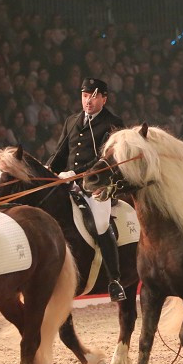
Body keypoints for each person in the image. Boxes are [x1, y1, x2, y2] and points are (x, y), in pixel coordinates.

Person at [48, 78, 126, 302]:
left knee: (101, 223)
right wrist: (48, 170)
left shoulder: (113, 123)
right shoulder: (72, 120)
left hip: (97, 185)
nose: (88, 101)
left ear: (104, 98)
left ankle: (115, 280)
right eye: (84, 96)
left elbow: (104, 159)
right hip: (68, 182)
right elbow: (61, 153)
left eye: (93, 96)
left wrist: (77, 174)